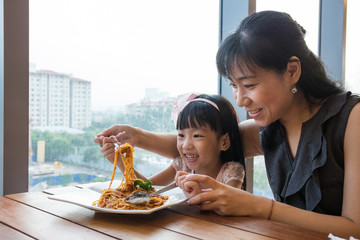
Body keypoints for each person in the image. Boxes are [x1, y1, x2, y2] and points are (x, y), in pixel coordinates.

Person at [94, 11, 360, 238]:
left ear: (292, 71)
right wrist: (137, 137)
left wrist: (256, 206)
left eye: (249, 85)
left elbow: (355, 228)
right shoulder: (271, 125)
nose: (241, 100)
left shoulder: (352, 119)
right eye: (234, 85)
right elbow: (201, 143)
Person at [97, 94, 246, 197]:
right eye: (181, 135)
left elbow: (227, 203)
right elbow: (147, 190)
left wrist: (196, 193)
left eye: (197, 136)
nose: (186, 145)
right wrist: (122, 164)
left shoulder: (231, 172)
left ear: (224, 142)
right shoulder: (182, 166)